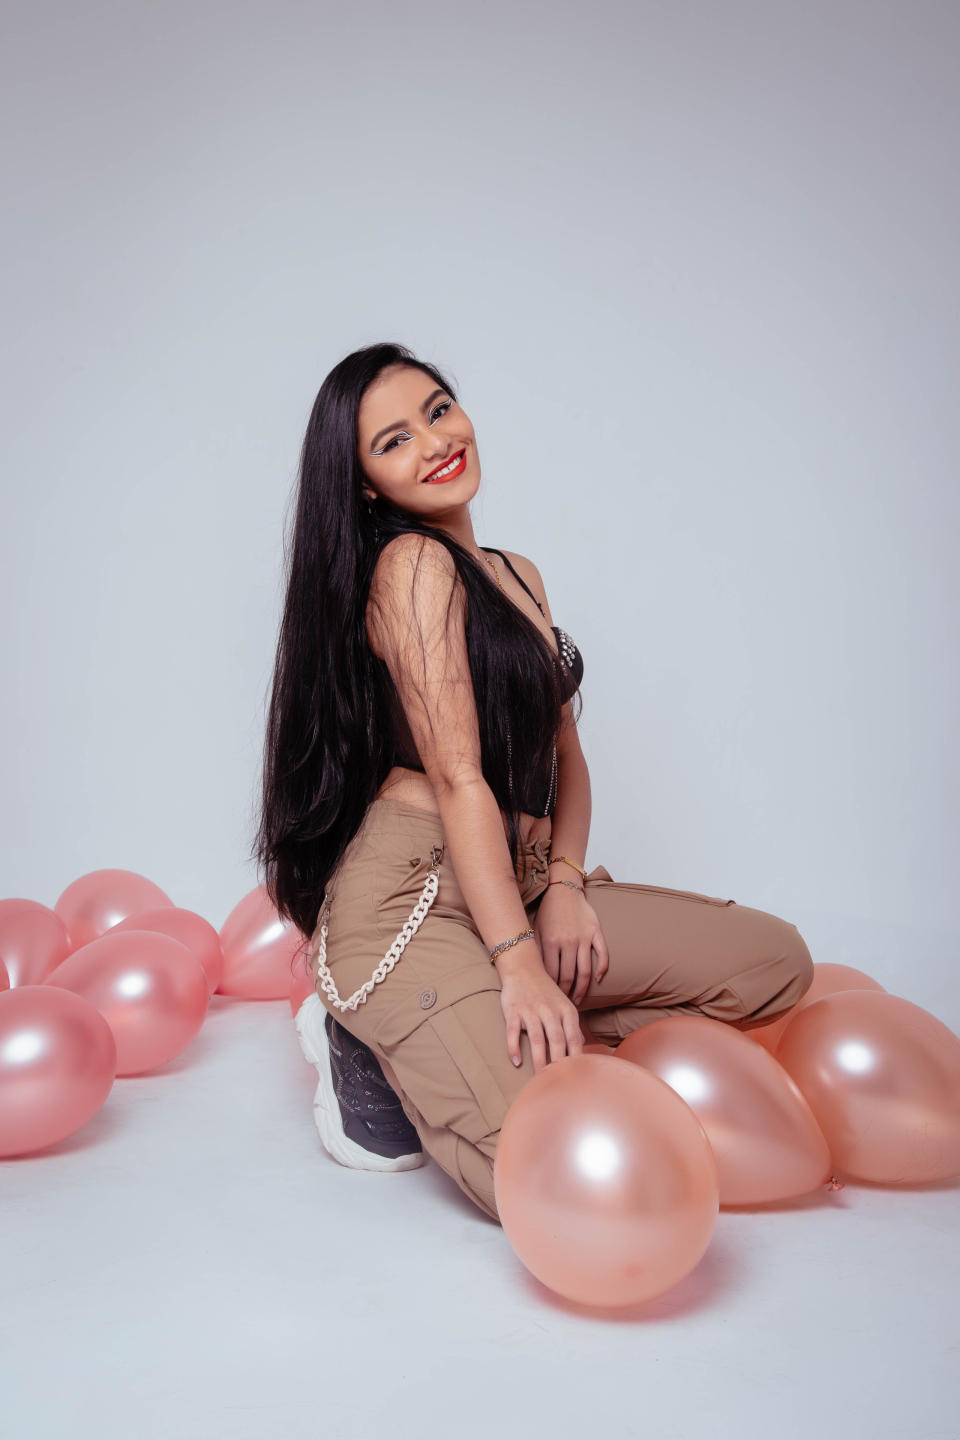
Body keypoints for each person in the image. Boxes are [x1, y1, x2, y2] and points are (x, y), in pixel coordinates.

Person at [253, 342, 814, 1225]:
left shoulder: (519, 574)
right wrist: (518, 962)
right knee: (566, 1174)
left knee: (772, 966)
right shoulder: (410, 567)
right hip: (413, 905)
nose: (436, 442)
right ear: (363, 483)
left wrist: (563, 888)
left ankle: (476, 1032)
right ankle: (371, 1044)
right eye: (394, 442)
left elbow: (565, 757)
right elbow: (459, 777)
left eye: (438, 410)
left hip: (516, 879)